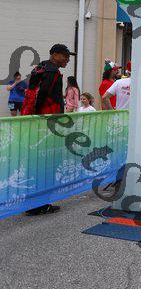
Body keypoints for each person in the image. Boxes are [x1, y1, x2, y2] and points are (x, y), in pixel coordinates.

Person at [22, 43, 75, 215]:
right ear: (55, 55)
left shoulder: (41, 67)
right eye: (65, 56)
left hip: (36, 123)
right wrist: (40, 117)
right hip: (46, 123)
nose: (67, 59)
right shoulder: (52, 72)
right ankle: (39, 205)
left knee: (35, 162)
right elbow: (43, 94)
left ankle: (32, 203)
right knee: (45, 164)